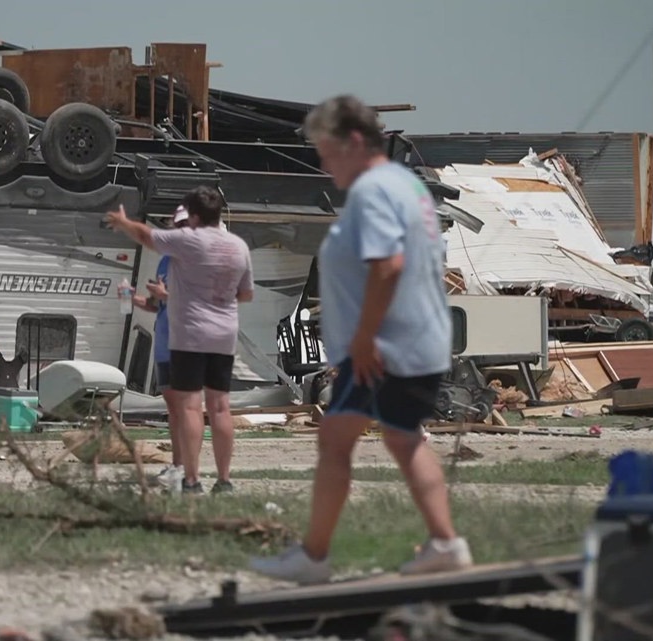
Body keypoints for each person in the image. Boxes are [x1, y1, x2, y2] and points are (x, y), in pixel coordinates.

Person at [249, 94, 472, 584]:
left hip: (384, 346)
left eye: (327, 153)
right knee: (396, 437)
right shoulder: (406, 185)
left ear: (353, 142)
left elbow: (387, 266)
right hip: (414, 338)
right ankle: (442, 543)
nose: (324, 165)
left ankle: (315, 557)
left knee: (345, 440)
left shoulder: (374, 191)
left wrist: (366, 338)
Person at [105, 186, 254, 495]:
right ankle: (225, 481)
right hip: (224, 333)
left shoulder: (189, 241)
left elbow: (147, 236)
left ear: (195, 216)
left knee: (189, 407)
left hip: (190, 333)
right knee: (221, 408)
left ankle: (192, 479)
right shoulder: (238, 246)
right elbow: (246, 295)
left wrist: (122, 222)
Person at [132, 205, 190, 488]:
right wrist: (136, 299)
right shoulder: (166, 260)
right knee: (172, 408)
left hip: (187, 341)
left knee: (186, 407)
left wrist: (166, 294)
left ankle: (187, 471)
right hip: (165, 340)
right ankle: (177, 466)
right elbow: (158, 304)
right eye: (177, 225)